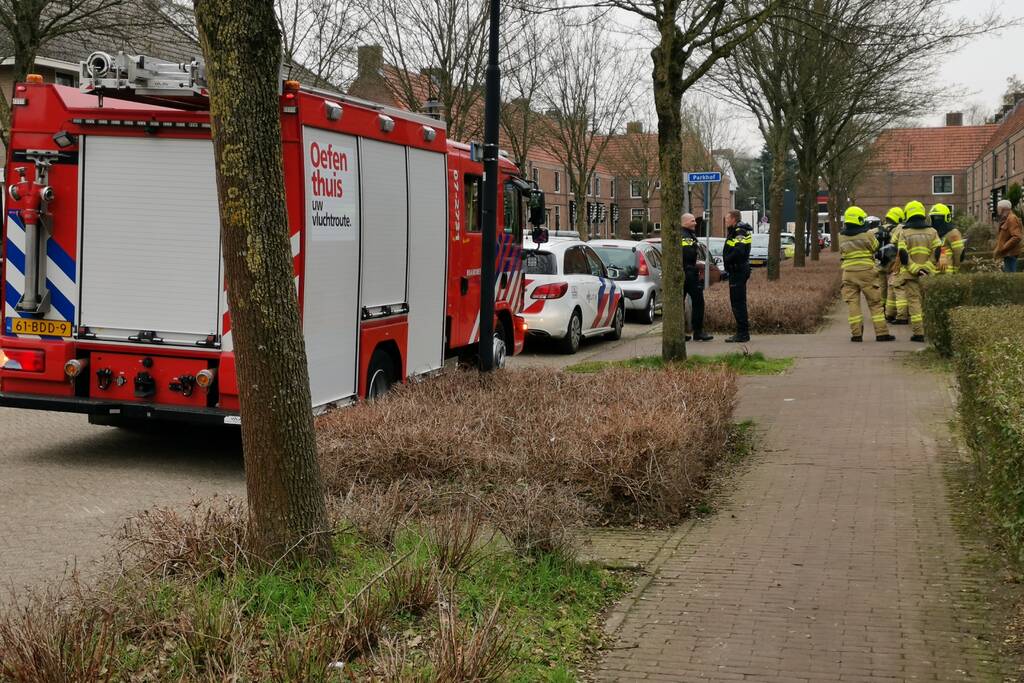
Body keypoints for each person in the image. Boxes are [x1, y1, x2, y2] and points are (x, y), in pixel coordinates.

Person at [839, 206, 893, 342]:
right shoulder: (868, 234)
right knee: (875, 303)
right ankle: (882, 334)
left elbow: (841, 252)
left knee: (852, 303)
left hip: (848, 273)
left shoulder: (841, 236)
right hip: (867, 272)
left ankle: (856, 334)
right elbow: (875, 247)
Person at [898, 200, 941, 342]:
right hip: (928, 274)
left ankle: (919, 333)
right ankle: (932, 331)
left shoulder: (904, 232)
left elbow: (903, 255)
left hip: (911, 275)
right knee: (928, 302)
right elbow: (937, 251)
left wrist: (915, 270)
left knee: (914, 303)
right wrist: (927, 268)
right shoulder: (933, 231)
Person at [681, 213, 712, 341]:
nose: (695, 223)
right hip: (688, 274)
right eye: (692, 221)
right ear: (685, 222)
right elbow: (688, 254)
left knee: (680, 302)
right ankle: (698, 332)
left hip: (684, 273)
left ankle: (681, 333)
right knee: (698, 301)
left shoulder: (686, 234)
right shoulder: (686, 236)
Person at [722, 209, 752, 343]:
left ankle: (743, 333)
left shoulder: (739, 231)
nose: (726, 221)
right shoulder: (737, 230)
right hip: (738, 270)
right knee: (739, 302)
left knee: (737, 303)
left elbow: (739, 250)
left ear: (733, 218)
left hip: (738, 271)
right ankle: (742, 332)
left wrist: (728, 259)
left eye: (727, 219)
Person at [882, 206, 908, 324]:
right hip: (900, 263)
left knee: (895, 287)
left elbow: (893, 244)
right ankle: (892, 314)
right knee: (894, 287)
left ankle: (897, 316)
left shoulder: (897, 229)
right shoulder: (904, 227)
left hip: (897, 263)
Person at [930, 203, 964, 275]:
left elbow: (959, 253)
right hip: (933, 273)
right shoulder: (932, 233)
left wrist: (956, 269)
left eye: (939, 217)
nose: (937, 220)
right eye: (935, 217)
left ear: (947, 217)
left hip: (946, 273)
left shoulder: (953, 233)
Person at [994, 199, 1022, 272]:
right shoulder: (1006, 219)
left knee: (1011, 277)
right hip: (1007, 253)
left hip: (1010, 253)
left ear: (1004, 209)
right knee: (1009, 275)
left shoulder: (1012, 218)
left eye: (998, 208)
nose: (997, 210)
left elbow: (1017, 237)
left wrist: (1003, 247)